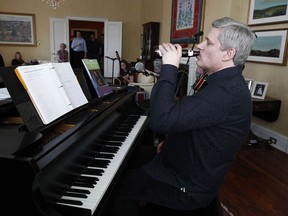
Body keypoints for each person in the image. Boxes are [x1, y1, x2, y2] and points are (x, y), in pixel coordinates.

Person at [105, 17, 256, 216]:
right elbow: (198, 121)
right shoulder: (224, 84)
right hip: (178, 161)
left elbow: (160, 120)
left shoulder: (225, 94)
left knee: (112, 190)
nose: (201, 45)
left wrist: (169, 67)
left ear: (229, 54)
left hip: (186, 186)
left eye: (209, 42)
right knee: (125, 158)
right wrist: (170, 141)